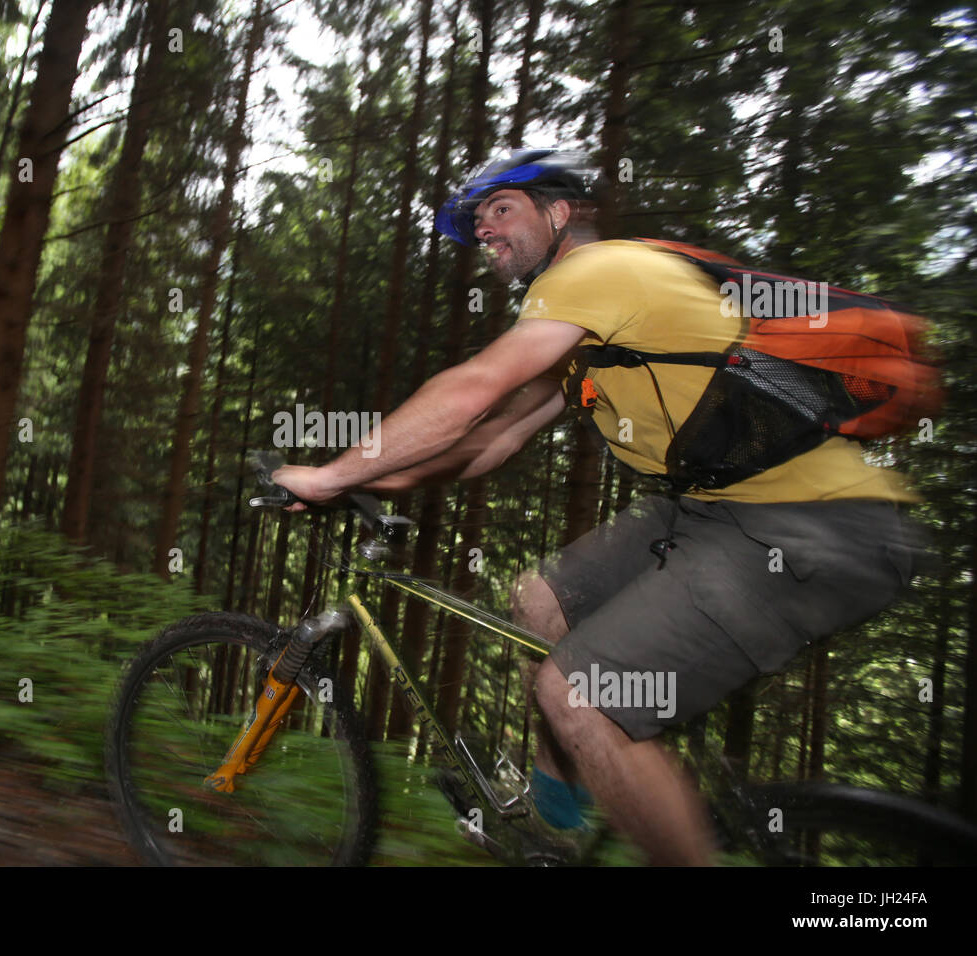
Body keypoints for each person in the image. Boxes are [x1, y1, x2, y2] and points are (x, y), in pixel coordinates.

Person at [271, 148, 925, 865]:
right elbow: (494, 438)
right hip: (712, 511)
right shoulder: (580, 328)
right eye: (477, 221)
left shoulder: (598, 272)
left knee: (579, 695)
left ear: (558, 214)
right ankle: (562, 817)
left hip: (812, 524)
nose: (485, 231)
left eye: (501, 209)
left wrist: (331, 472)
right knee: (542, 601)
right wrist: (375, 481)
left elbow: (473, 391)